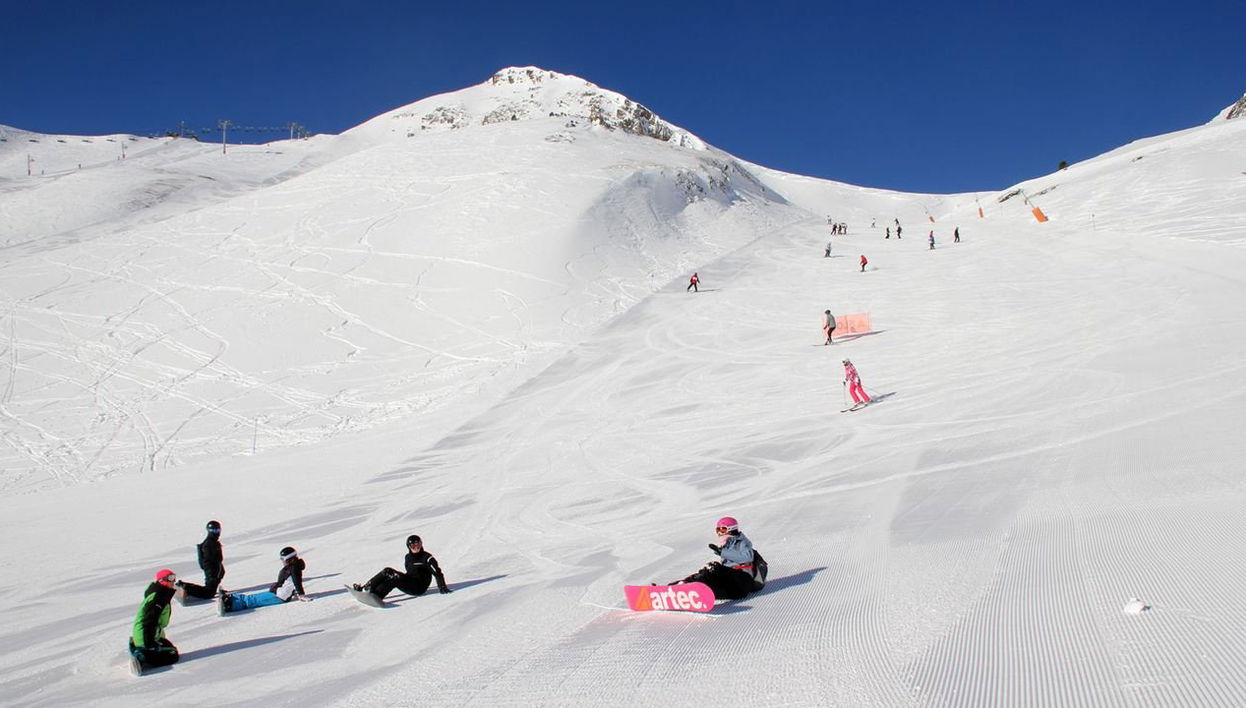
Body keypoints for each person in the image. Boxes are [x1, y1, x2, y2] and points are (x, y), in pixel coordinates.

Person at [670, 517, 767, 600]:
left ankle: (687, 585)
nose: (720, 532)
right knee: (711, 576)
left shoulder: (742, 542)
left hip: (742, 580)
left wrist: (722, 552)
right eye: (718, 530)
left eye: (723, 529)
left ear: (731, 529)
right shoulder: (727, 545)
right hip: (732, 587)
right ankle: (685, 587)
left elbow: (747, 558)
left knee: (714, 567)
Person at [353, 535, 452, 600]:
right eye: (413, 546)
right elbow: (409, 572)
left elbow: (437, 573)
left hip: (419, 587)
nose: (416, 548)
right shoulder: (408, 557)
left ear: (421, 544)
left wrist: (442, 587)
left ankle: (377, 596)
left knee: (395, 578)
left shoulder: (427, 558)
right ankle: (366, 588)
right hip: (411, 581)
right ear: (409, 546)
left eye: (418, 545)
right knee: (388, 571)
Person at [219, 547, 312, 612]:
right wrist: (293, 592)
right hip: (278, 593)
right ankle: (231, 598)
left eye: (283, 559)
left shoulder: (294, 569)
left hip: (280, 596)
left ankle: (230, 605)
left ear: (289, 559)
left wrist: (301, 595)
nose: (282, 561)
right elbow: (290, 582)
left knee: (252, 601)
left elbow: (297, 582)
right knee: (253, 598)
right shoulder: (293, 567)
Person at [129, 569, 180, 670]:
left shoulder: (160, 593)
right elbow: (149, 621)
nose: (173, 581)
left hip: (153, 634)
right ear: (162, 580)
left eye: (174, 577)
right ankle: (141, 658)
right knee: (172, 655)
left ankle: (141, 649)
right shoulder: (158, 597)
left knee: (168, 646)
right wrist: (149, 643)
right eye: (170, 578)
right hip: (145, 635)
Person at [179, 520, 225, 599]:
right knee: (208, 593)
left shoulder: (214, 542)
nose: (216, 532)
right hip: (211, 571)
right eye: (213, 530)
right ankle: (185, 587)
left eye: (218, 530)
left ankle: (185, 586)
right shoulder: (209, 543)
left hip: (215, 570)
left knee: (210, 591)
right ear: (209, 531)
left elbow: (217, 560)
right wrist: (213, 575)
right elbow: (208, 561)